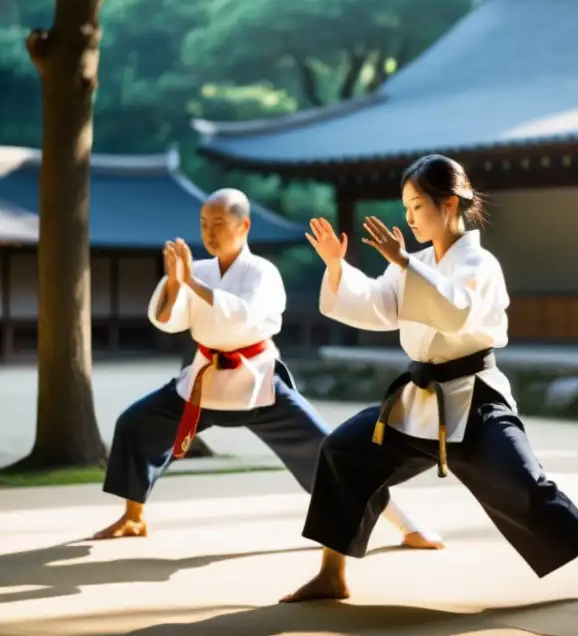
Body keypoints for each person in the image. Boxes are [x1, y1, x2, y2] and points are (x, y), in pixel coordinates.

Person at [280, 154, 578, 603]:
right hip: (416, 400)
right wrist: (336, 267)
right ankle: (332, 574)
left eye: (417, 206)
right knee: (343, 451)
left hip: (474, 398)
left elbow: (455, 311)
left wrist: (405, 263)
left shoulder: (479, 264)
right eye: (405, 207)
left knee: (524, 484)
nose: (409, 217)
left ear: (449, 204)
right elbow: (379, 305)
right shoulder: (415, 261)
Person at [93, 188, 443, 552]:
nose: (209, 233)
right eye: (203, 224)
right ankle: (133, 516)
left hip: (256, 381)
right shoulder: (194, 270)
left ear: (243, 225)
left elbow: (244, 317)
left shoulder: (263, 272)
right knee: (134, 424)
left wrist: (191, 285)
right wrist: (175, 285)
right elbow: (167, 319)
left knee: (331, 451)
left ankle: (406, 526)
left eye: (218, 223)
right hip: (203, 380)